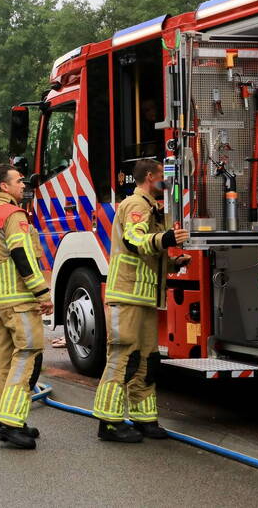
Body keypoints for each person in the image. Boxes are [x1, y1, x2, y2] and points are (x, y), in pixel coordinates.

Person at [93, 159, 190, 442]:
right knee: (125, 357)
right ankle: (109, 422)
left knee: (148, 359)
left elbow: (148, 253)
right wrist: (167, 238)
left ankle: (144, 418)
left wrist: (173, 263)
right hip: (128, 294)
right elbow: (135, 241)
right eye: (162, 177)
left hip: (145, 296)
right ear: (150, 177)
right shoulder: (136, 205)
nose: (166, 183)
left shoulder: (151, 207)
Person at [0, 164, 54, 450]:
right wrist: (42, 292)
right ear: (4, 187)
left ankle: (12, 418)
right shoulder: (13, 215)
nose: (24, 184)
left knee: (4, 363)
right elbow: (22, 255)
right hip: (20, 301)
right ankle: (8, 424)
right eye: (19, 181)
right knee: (28, 354)